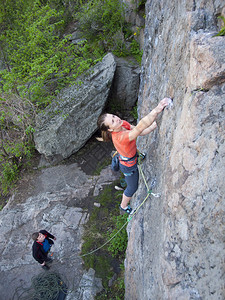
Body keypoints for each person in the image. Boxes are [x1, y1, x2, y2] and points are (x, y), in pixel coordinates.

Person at [97, 97, 170, 214]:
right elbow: (141, 126)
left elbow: (139, 131)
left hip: (130, 155)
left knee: (133, 157)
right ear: (110, 129)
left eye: (113, 116)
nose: (116, 119)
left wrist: (152, 127)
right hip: (129, 166)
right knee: (132, 187)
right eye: (112, 121)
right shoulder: (121, 137)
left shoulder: (122, 124)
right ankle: (123, 206)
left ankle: (127, 176)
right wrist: (157, 109)